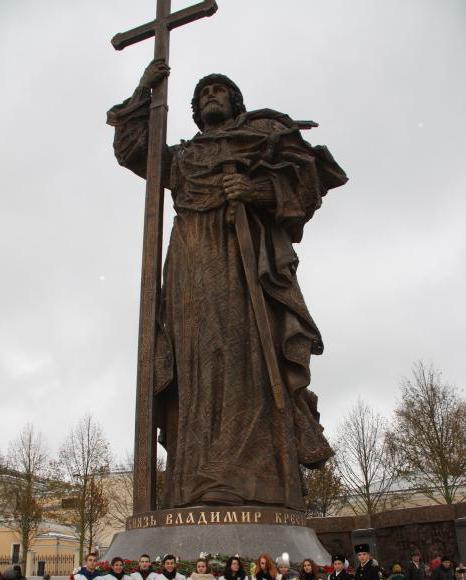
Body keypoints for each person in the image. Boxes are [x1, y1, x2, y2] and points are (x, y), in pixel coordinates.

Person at [107, 67, 346, 511]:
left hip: (241, 262)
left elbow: (307, 181)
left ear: (235, 102)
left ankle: (251, 478)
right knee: (193, 365)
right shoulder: (183, 159)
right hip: (189, 267)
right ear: (195, 111)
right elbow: (133, 150)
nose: (212, 96)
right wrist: (144, 90)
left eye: (220, 90)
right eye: (204, 93)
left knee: (243, 357)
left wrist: (257, 189)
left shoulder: (258, 138)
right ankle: (192, 478)